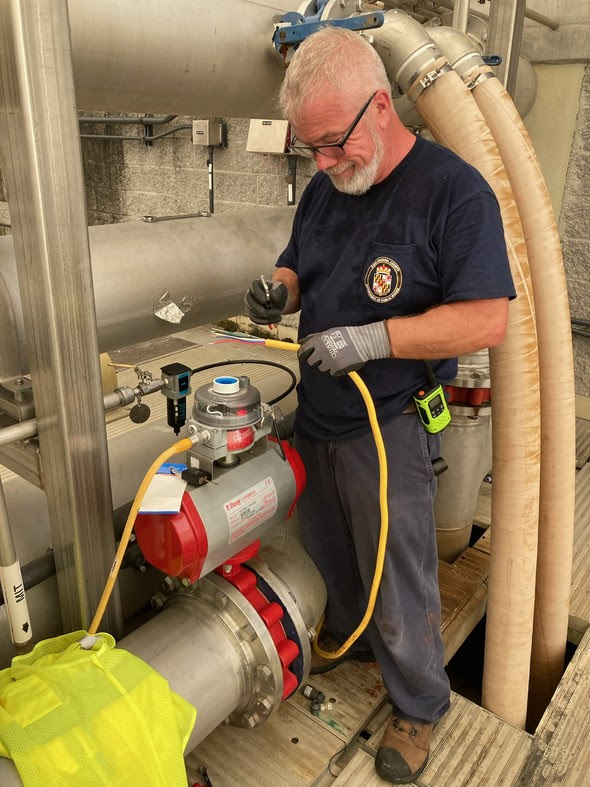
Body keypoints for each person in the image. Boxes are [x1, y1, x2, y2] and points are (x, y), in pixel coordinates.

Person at [244, 27, 515, 785]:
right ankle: (356, 639)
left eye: (335, 143)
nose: (325, 163)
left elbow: (486, 318)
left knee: (400, 574)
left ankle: (420, 705)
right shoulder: (327, 187)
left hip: (389, 420)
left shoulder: (453, 192)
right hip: (320, 412)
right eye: (312, 149)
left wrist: (375, 339)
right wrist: (278, 290)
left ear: (380, 105)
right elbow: (299, 263)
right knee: (332, 549)